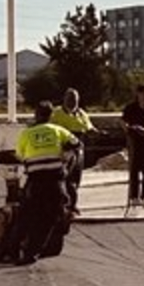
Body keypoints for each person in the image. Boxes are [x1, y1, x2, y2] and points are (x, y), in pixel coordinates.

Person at [8, 100, 80, 263]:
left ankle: (12, 249)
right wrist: (66, 157)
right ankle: (31, 253)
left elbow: (19, 155)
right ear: (51, 115)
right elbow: (76, 144)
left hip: (35, 181)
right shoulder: (58, 130)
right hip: (55, 181)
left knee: (26, 216)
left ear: (36, 115)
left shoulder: (27, 133)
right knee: (49, 218)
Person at [50, 87, 94, 215]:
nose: (72, 102)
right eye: (69, 99)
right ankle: (65, 204)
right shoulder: (57, 113)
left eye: (75, 99)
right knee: (65, 179)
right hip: (64, 149)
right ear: (64, 99)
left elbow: (89, 128)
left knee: (75, 179)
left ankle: (72, 205)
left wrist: (99, 133)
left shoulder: (81, 114)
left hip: (78, 149)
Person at [120, 83, 144, 215]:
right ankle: (134, 196)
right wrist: (127, 128)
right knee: (134, 169)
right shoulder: (131, 108)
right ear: (138, 95)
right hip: (134, 141)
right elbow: (123, 120)